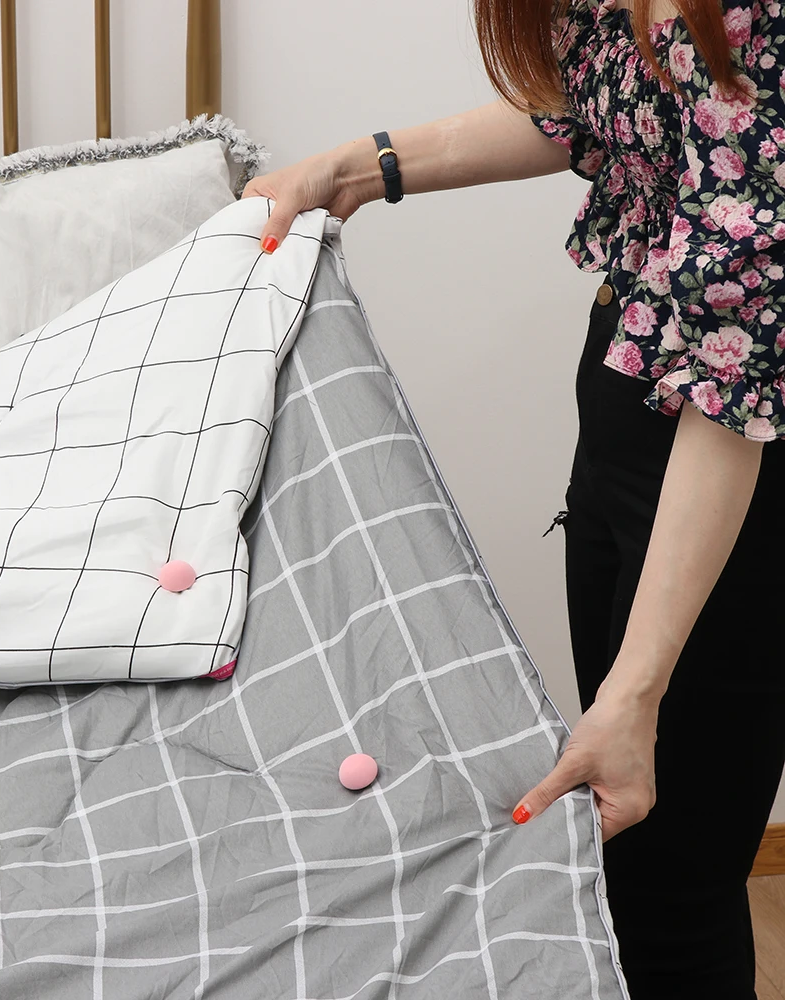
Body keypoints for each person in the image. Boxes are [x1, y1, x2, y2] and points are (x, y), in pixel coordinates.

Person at [242, 1, 785, 997]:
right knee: (628, 860)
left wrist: (635, 695)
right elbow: (583, 108)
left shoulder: (751, 24)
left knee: (675, 889)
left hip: (727, 471)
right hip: (623, 418)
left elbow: (734, 380)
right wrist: (354, 169)